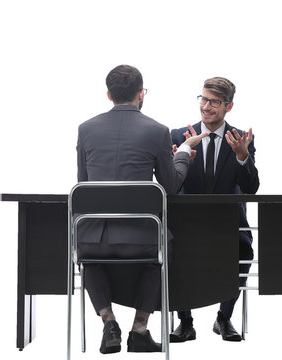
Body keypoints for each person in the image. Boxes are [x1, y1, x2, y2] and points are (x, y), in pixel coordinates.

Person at [76, 64, 207, 354]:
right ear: (141, 94)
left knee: (88, 255)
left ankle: (108, 321)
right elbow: (170, 187)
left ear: (108, 94)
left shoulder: (85, 129)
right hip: (142, 240)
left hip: (94, 237)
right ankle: (139, 329)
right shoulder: (157, 131)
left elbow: (82, 184)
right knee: (161, 251)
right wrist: (183, 152)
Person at [170, 77, 259, 342]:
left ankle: (224, 318)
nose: (206, 107)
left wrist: (243, 156)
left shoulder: (240, 138)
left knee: (244, 250)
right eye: (204, 99)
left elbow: (251, 188)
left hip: (227, 223)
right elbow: (170, 186)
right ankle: (185, 322)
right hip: (187, 222)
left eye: (215, 102)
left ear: (229, 106)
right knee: (172, 248)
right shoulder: (178, 135)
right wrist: (181, 155)